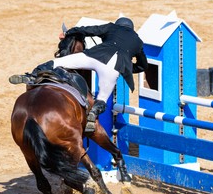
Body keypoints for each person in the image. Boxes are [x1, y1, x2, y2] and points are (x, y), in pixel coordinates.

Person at [9, 17, 148, 133]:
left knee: (58, 62)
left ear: (119, 25)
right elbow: (143, 66)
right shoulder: (138, 41)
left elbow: (88, 30)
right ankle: (93, 114)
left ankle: (32, 76)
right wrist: (126, 68)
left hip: (95, 56)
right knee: (102, 99)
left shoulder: (113, 27)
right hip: (113, 69)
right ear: (132, 28)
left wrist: (69, 32)